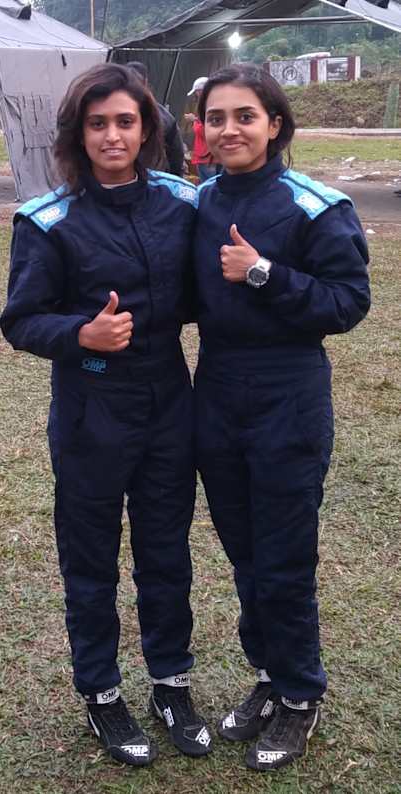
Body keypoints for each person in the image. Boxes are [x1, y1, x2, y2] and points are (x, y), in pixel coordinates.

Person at [0, 63, 212, 767]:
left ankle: (171, 683)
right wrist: (79, 335)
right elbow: (21, 320)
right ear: (77, 134)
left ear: (148, 128)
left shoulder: (185, 204)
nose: (113, 135)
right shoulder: (48, 220)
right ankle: (100, 692)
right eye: (98, 124)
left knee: (166, 549)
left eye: (126, 121)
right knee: (90, 559)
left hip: (168, 401)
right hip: (91, 406)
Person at [193, 64, 370, 772]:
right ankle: (268, 675)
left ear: (275, 123)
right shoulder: (198, 202)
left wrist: (265, 272)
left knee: (285, 558)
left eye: (244, 115)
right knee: (243, 552)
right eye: (216, 117)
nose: (229, 128)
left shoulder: (317, 206)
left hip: (288, 396)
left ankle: (300, 695)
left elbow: (348, 302)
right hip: (216, 392)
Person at [126, 60, 185, 177]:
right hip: (153, 178)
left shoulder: (162, 116)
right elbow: (176, 155)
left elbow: (176, 154)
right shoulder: (164, 115)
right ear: (146, 82)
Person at [184, 76, 219, 183]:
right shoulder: (212, 104)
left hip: (207, 156)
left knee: (209, 186)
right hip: (208, 156)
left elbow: (204, 131)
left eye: (197, 92)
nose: (196, 95)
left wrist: (194, 120)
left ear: (202, 91)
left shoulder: (208, 106)